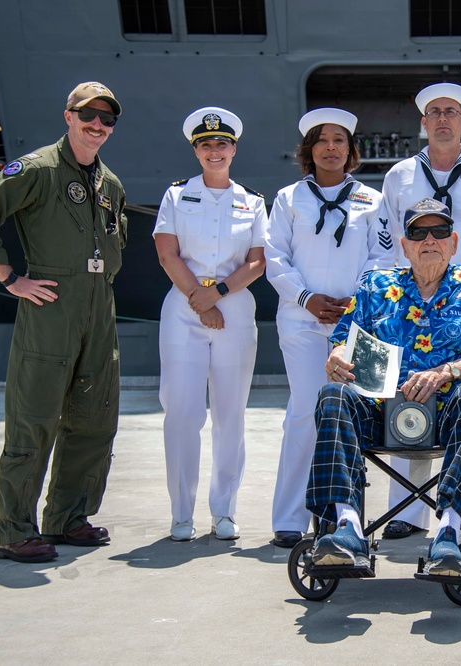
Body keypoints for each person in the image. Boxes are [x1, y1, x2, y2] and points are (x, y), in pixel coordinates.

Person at [0, 82, 127, 563]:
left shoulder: (109, 184)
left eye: (107, 119)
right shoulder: (37, 169)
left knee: (94, 419)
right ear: (68, 116)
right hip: (51, 306)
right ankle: (14, 530)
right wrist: (10, 278)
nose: (98, 125)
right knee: (34, 419)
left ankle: (67, 518)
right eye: (88, 114)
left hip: (99, 308)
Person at [306, 198, 461, 577]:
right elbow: (342, 338)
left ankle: (447, 531)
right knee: (333, 395)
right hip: (381, 412)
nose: (429, 239)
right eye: (418, 232)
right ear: (404, 245)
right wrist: (335, 357)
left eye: (439, 232)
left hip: (449, 411)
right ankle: (347, 527)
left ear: (454, 242)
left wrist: (446, 372)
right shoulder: (375, 284)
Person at [378, 82, 461, 539]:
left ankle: (459, 516)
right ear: (423, 123)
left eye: (450, 112)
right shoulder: (399, 176)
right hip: (408, 304)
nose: (441, 119)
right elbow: (387, 244)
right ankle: (404, 511)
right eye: (433, 112)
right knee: (406, 393)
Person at [265, 108, 395, 548]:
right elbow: (275, 257)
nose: (331, 147)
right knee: (305, 410)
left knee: (354, 414)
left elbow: (383, 259)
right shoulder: (288, 199)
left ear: (351, 149)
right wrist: (307, 298)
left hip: (359, 324)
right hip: (302, 321)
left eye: (339, 139)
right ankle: (290, 519)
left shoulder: (372, 201)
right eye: (322, 140)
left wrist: (355, 302)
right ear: (308, 150)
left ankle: (348, 517)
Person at [153, 107, 266, 542]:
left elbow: (257, 262)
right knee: (181, 411)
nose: (213, 151)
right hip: (183, 306)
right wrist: (200, 302)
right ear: (196, 150)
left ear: (233, 149)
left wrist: (215, 296)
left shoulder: (252, 201)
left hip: (233, 306)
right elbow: (167, 254)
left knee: (229, 413)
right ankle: (182, 512)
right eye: (205, 144)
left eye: (221, 144)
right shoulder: (177, 196)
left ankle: (224, 510)